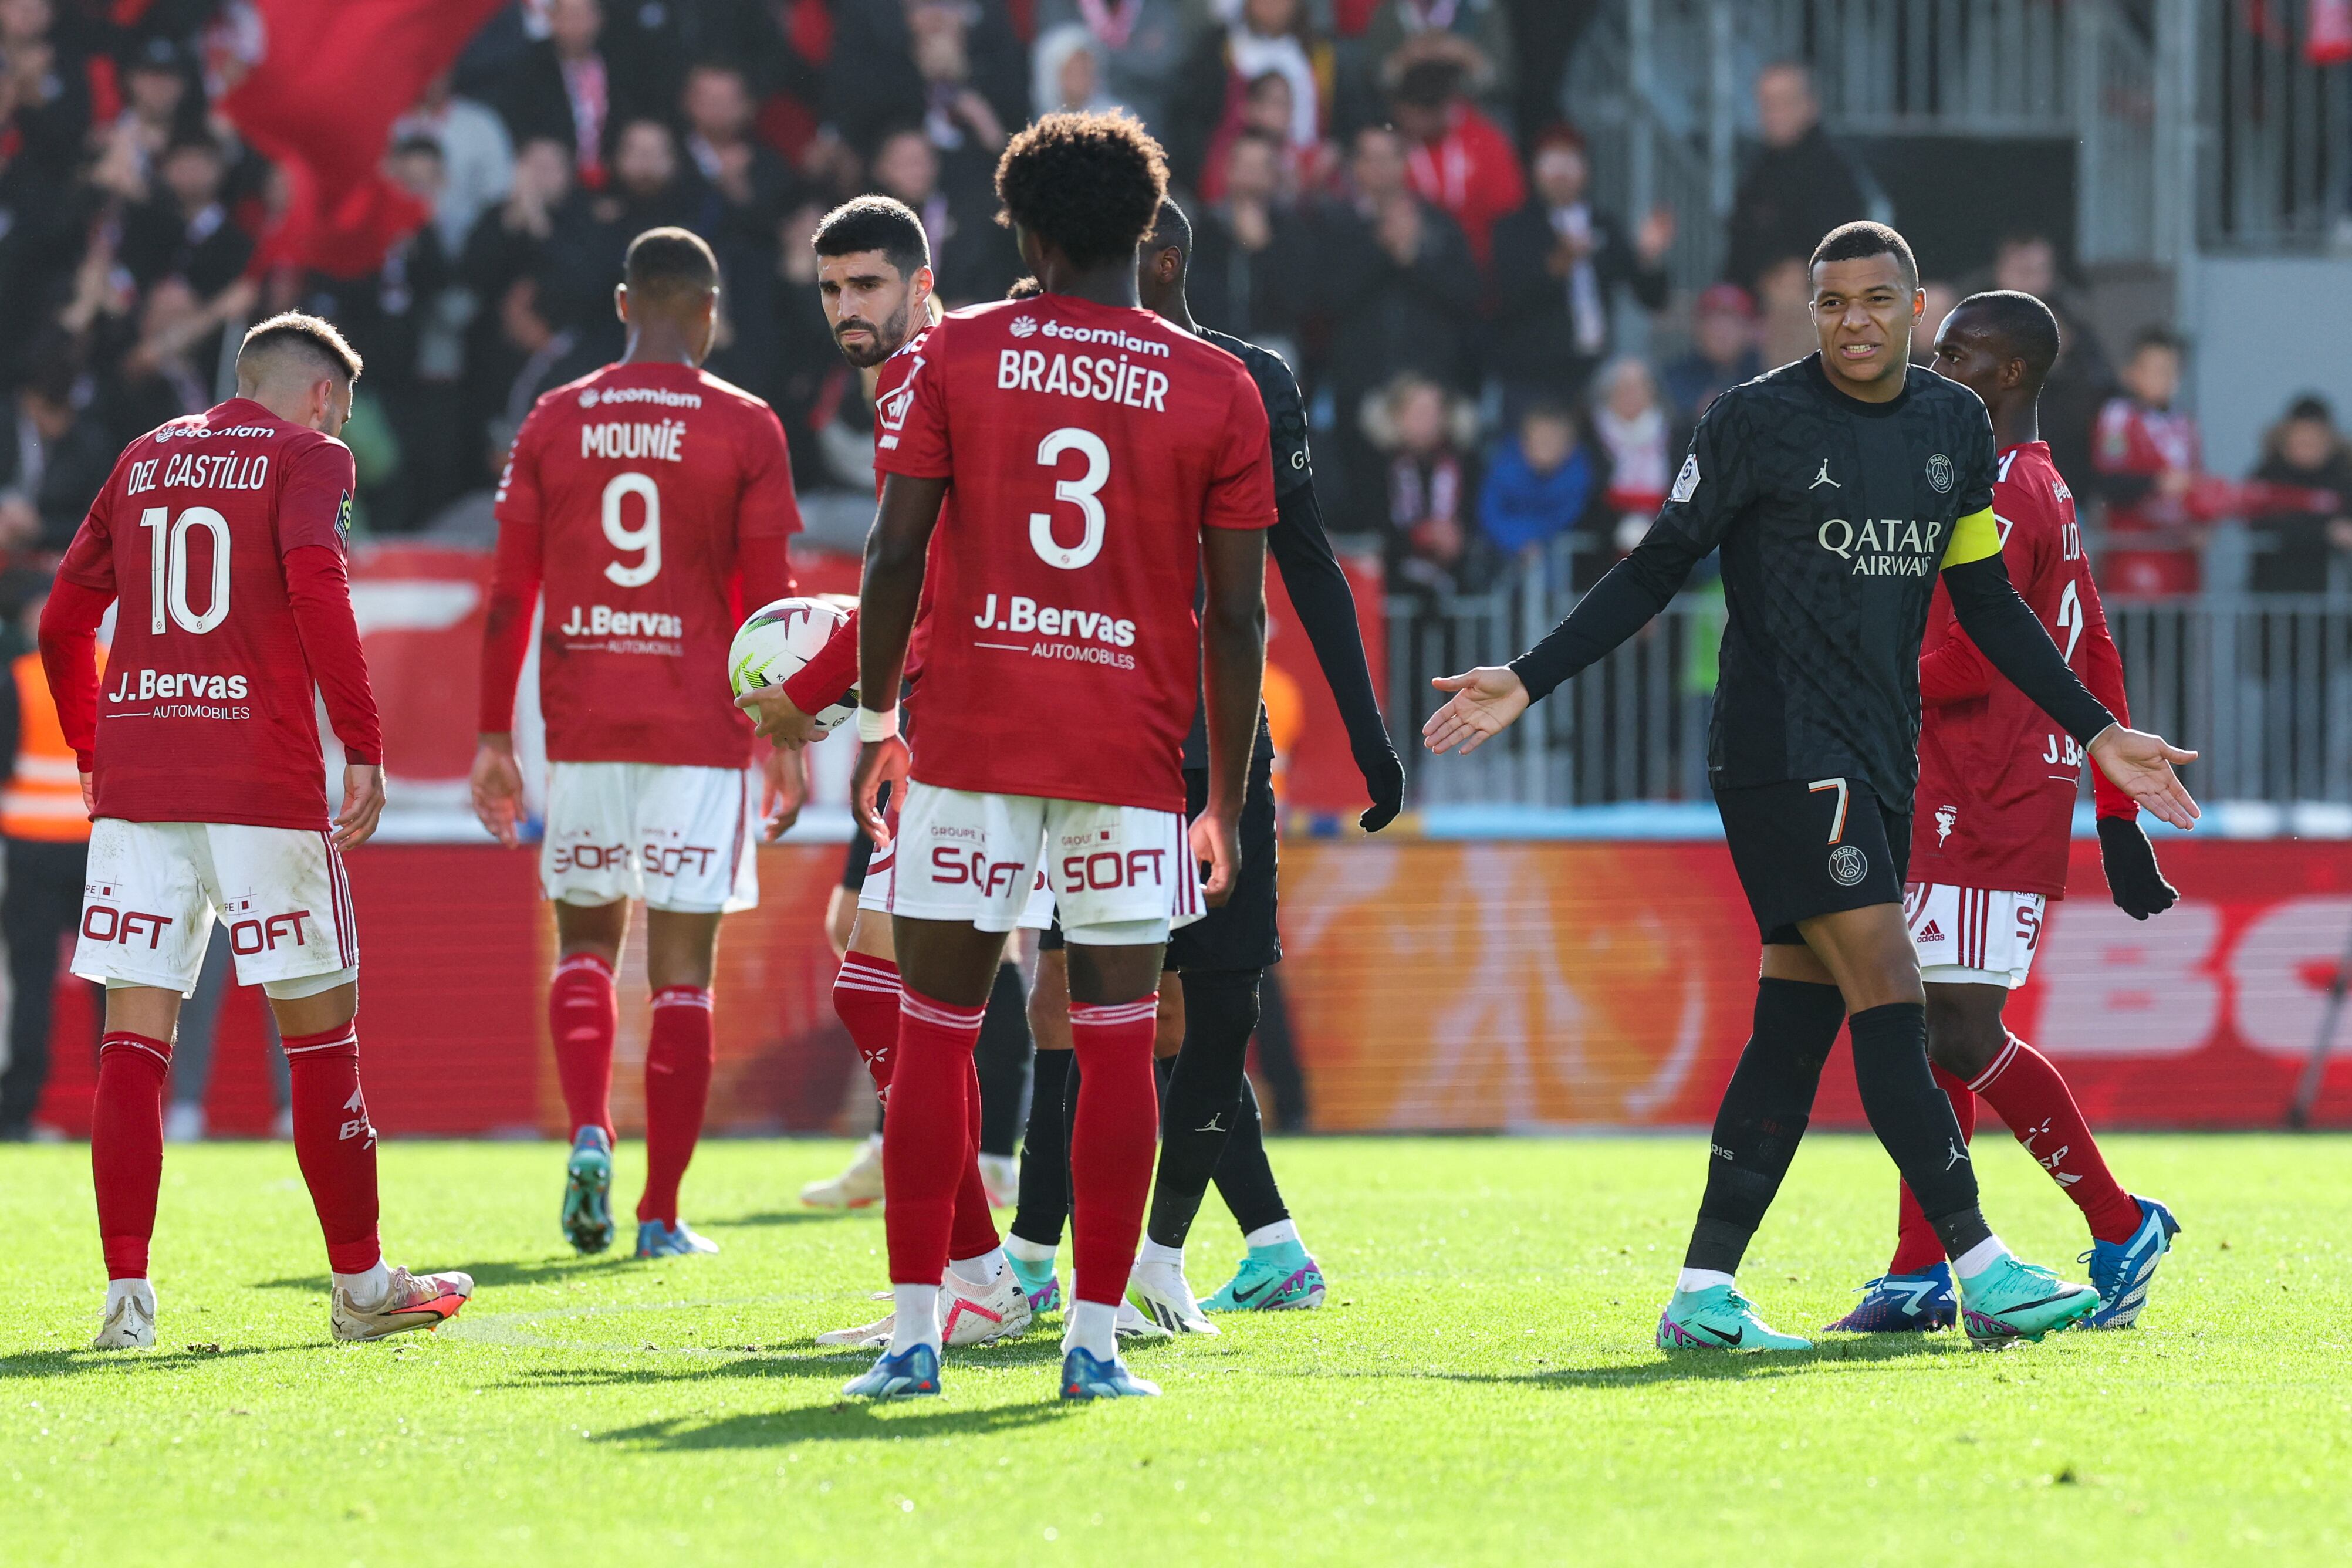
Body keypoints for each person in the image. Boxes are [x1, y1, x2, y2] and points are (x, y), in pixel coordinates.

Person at [1421, 222, 2201, 1352]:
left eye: (1875, 301)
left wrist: (2097, 732)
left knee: (1791, 1029)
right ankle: (1977, 1266)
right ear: (1811, 311)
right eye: (1830, 303)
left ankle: (1701, 1291)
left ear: (1912, 305)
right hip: (1780, 751)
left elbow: (1985, 603)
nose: (1853, 322)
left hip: (1881, 761)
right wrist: (1529, 678)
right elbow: (1653, 565)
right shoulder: (1754, 419)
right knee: (1895, 989)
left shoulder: (1950, 427)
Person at [844, 109, 1275, 1401]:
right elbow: (1240, 615)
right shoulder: (1218, 384)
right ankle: (1091, 1347)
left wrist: (878, 725)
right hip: (1132, 760)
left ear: (1024, 232)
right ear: (1148, 234)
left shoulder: (956, 357)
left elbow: (894, 553)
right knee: (1114, 1039)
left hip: (971, 743)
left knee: (934, 1039)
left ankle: (916, 1335)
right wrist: (1231, 803)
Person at [1008, 197, 1404, 1335]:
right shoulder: (1056, 374)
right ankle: (1048, 1250)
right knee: (1087, 998)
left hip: (1214, 741)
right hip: (1095, 735)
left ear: (1163, 259)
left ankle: (1166, 1248)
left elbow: (1310, 563)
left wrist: (1365, 725)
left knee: (1218, 1000)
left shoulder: (1248, 380)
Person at [43, 312, 474, 1349]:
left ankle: (126, 1302)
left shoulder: (145, 454)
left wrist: (95, 750)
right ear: (325, 395)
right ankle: (363, 1285)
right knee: (322, 1039)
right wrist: (362, 740)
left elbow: (61, 619)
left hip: (142, 783)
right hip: (259, 779)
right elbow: (318, 586)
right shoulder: (310, 455)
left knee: (133, 1044)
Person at [1821, 289, 2181, 1335]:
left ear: (2010, 374)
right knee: (1929, 1029)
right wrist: (2114, 817)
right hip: (1967, 786)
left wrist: (1848, 668)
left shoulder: (2010, 494)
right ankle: (1919, 1270)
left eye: (1957, 354)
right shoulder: (2037, 486)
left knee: (1954, 1027)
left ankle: (2118, 1227)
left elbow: (1971, 658)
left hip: (1986, 792)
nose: (1934, 368)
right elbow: (2096, 645)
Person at [469, 228, 809, 1261]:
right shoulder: (745, 426)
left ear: (624, 304)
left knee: (583, 949)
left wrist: (493, 736)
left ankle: (586, 1130)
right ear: (708, 312)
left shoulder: (555, 418)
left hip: (582, 723)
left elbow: (507, 598)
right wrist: (786, 737)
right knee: (681, 977)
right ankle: (659, 1212)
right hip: (701, 731)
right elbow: (770, 601)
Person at [738, 199, 1039, 1356]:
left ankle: (991, 1272)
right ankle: (987, 1268)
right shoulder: (937, 377)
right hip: (961, 709)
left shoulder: (933, 375)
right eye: (831, 290)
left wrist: (852, 703)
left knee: (913, 988)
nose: (848, 310)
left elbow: (907, 561)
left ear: (923, 283)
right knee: (894, 982)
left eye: (868, 286)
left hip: (971, 724)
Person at [0, 569, 98, 1139]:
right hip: (100, 845)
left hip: (30, 845)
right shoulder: (115, 669)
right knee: (112, 981)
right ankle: (124, 1102)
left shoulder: (16, 679)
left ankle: (18, 1111)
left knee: (31, 980)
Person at [1488, 126, 1672, 414]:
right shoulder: (1515, 228)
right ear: (1535, 170)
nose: (1561, 175)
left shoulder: (1604, 224)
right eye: (1551, 164)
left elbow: (1651, 297)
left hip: (1594, 373)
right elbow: (1506, 299)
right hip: (1533, 377)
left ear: (1586, 170)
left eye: (1570, 164)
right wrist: (1556, 267)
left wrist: (1648, 257)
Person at [1722, 62, 1871, 295]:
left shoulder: (1833, 170)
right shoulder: (1757, 172)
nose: (1773, 115)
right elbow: (1739, 251)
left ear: (1810, 105)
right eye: (1766, 105)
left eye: (1783, 103)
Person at [2092, 330, 2204, 598]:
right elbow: (2109, 483)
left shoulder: (2185, 424)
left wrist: (2204, 521)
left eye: (2171, 371)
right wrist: (2158, 483)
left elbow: (2196, 482)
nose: (2164, 379)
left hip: (2181, 561)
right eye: (2155, 370)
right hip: (2133, 560)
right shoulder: (2118, 417)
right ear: (2131, 373)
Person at [2245, 394, 2352, 594]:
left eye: (2315, 438)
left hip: (2333, 604)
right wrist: (2326, 532)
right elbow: (2259, 519)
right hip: (2275, 597)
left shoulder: (2343, 477)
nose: (2307, 445)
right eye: (2300, 437)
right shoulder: (2268, 476)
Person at [1661, 283, 1762, 425]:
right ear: (1698, 328)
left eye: (1732, 324)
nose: (1722, 332)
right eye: (1714, 323)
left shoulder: (1766, 372)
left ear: (1749, 329)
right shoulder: (1676, 375)